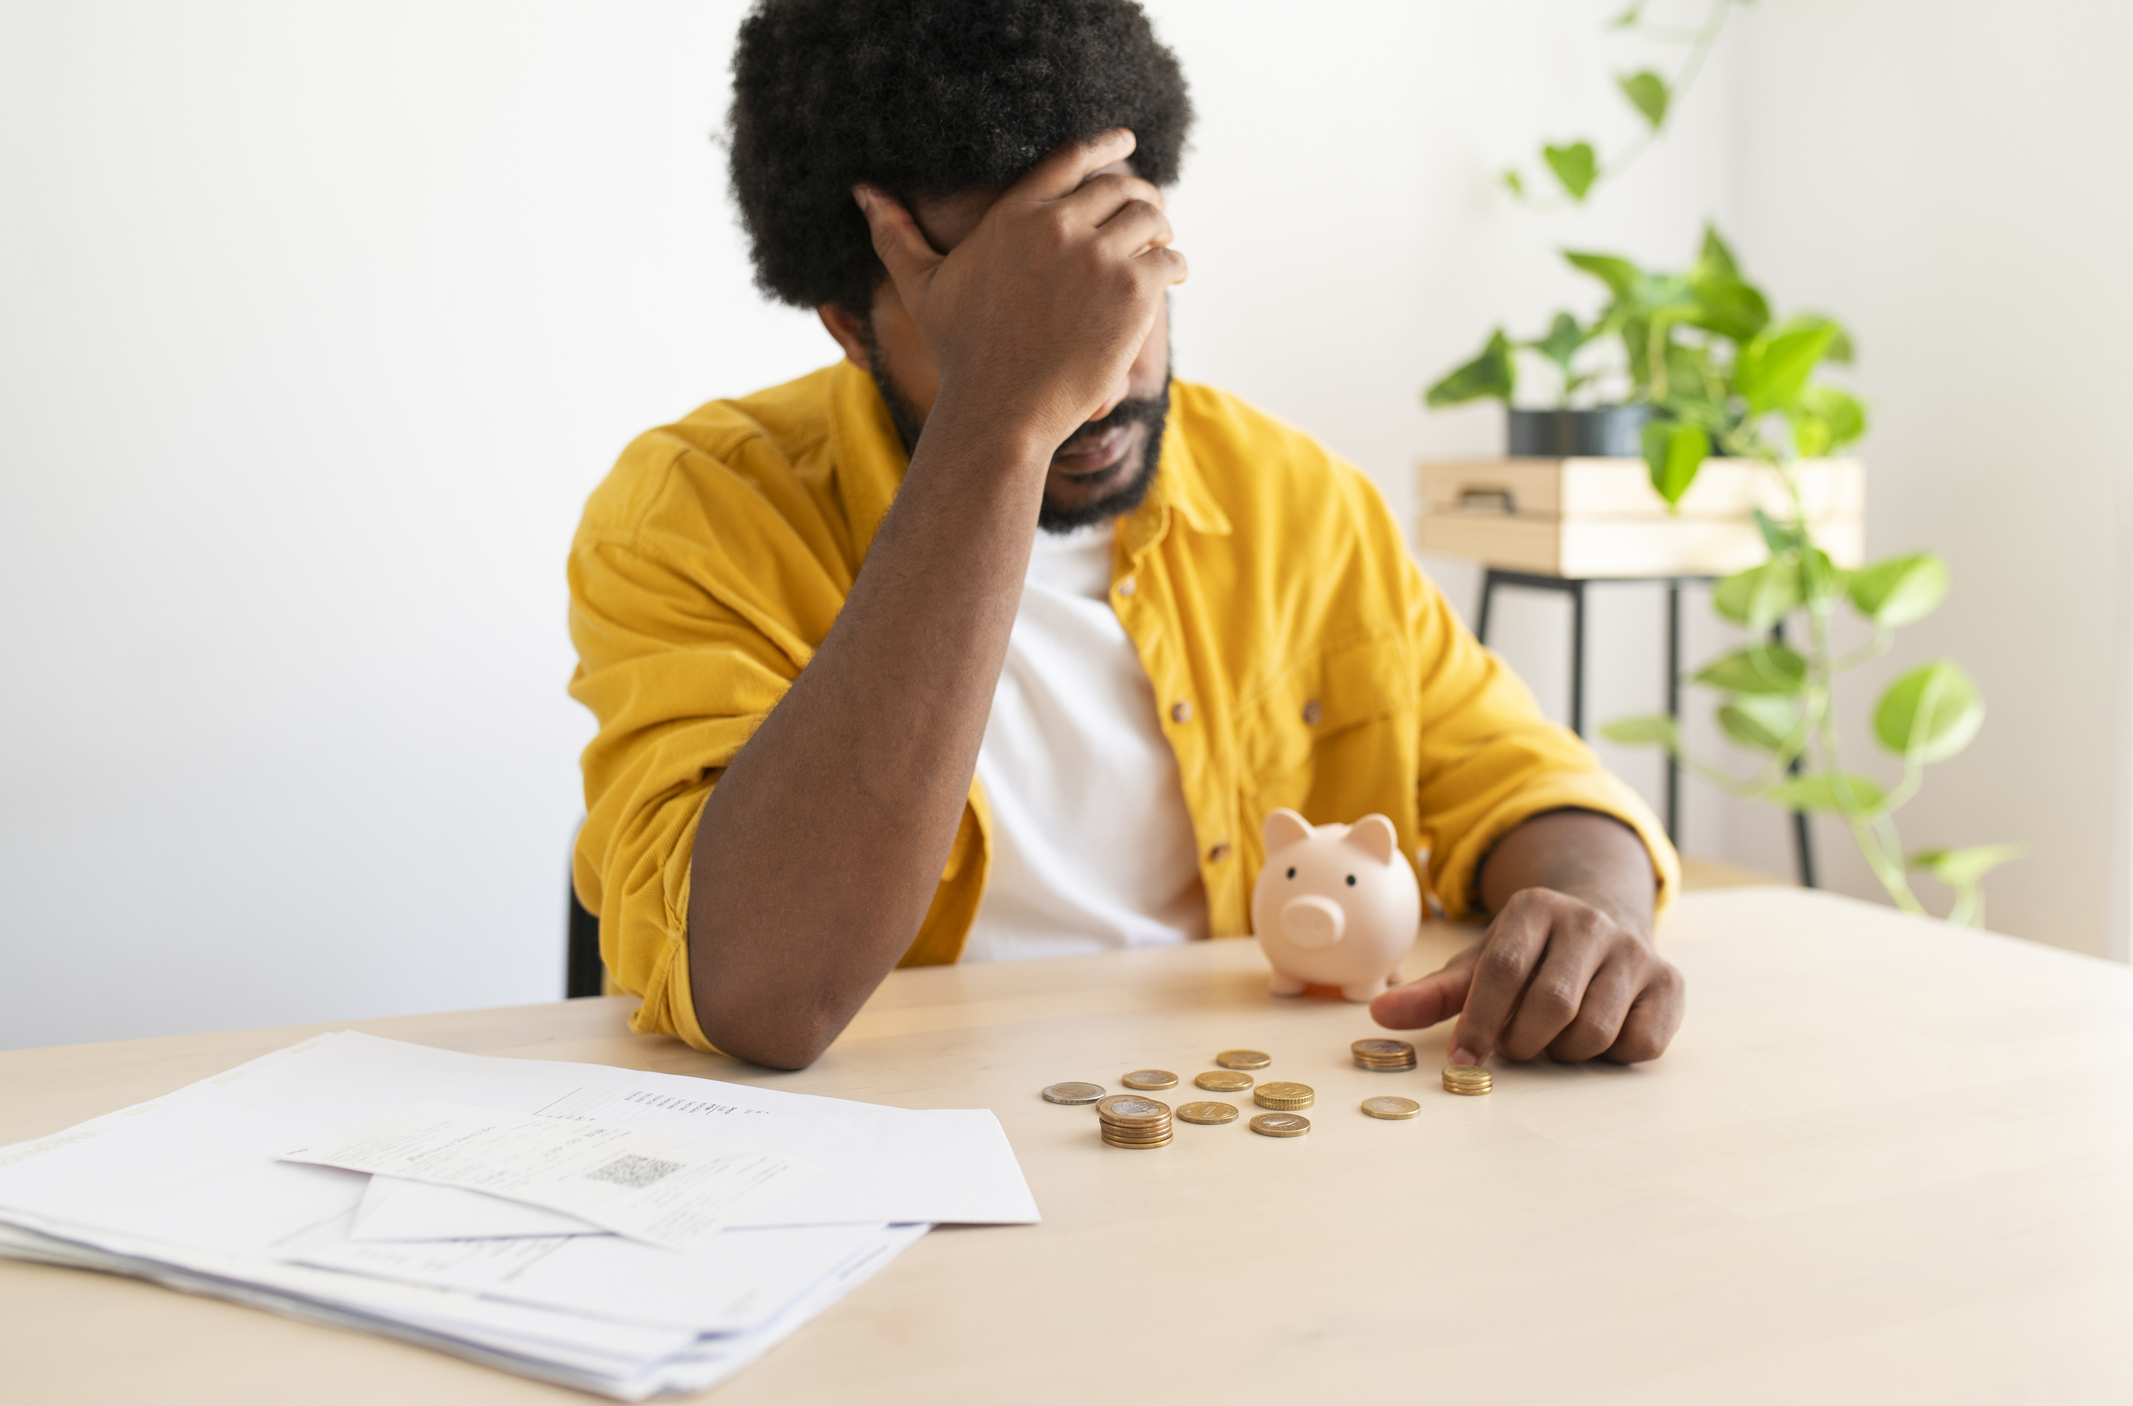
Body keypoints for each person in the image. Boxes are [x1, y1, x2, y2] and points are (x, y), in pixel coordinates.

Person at [568, 0, 1685, 1070]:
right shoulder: (697, 510)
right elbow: (761, 988)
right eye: (998, 313)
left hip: (1228, 1135)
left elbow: (1533, 785)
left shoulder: (1297, 501)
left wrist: (1583, 919)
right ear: (849, 328)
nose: (1099, 383)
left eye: (1112, 272)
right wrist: (1002, 420)